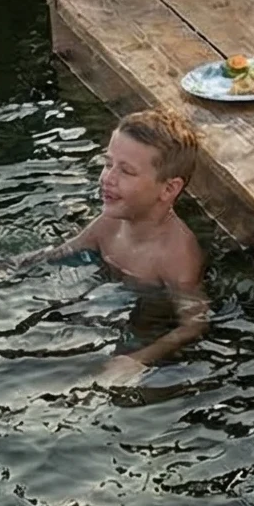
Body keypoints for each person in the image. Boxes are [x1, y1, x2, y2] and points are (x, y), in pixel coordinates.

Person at [50, 109, 208, 385]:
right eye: (108, 163)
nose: (107, 178)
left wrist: (139, 359)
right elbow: (57, 255)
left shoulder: (175, 255)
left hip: (151, 316)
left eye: (126, 171)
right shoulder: (109, 223)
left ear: (168, 189)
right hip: (110, 300)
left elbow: (194, 324)